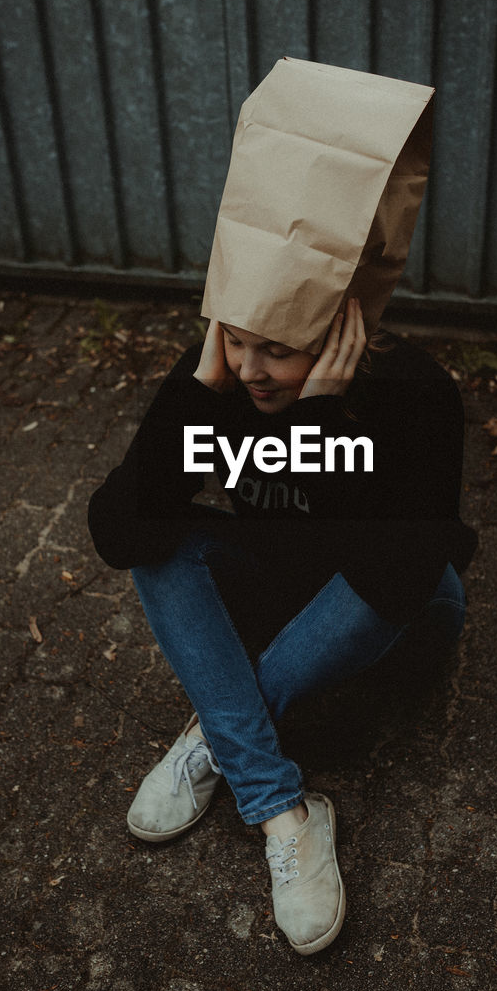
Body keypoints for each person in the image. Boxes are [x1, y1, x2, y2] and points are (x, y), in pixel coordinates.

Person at [88, 297, 477, 955]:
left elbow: (394, 576)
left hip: (396, 611)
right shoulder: (222, 374)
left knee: (409, 571)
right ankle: (283, 811)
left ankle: (221, 731)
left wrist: (322, 416)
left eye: (278, 350)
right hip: (279, 593)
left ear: (333, 338)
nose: (252, 370)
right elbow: (118, 533)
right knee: (159, 546)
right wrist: (196, 397)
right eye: (238, 341)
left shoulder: (415, 393)